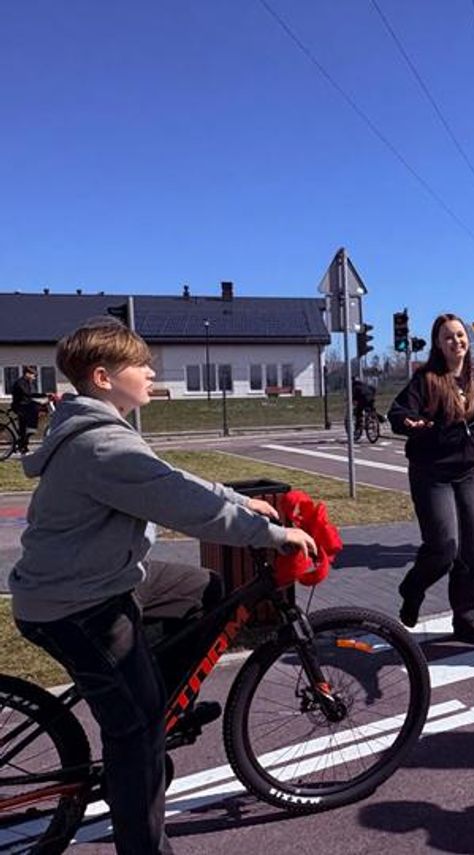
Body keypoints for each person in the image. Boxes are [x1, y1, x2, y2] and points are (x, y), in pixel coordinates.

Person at [9, 319, 318, 855]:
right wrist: (271, 534)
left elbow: (169, 478)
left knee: (204, 588)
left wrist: (238, 499)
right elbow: (184, 505)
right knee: (136, 730)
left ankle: (158, 702)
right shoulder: (101, 445)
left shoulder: (103, 432)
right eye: (141, 365)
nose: (152, 372)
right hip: (76, 606)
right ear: (103, 377)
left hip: (99, 579)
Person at [388, 313, 474, 645]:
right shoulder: (426, 379)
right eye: (448, 337)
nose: (456, 341)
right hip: (431, 473)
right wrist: (409, 423)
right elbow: (399, 412)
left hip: (468, 473)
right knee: (445, 547)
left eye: (460, 335)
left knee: (471, 549)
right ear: (438, 344)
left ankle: (466, 618)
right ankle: (413, 588)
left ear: (467, 340)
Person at [11, 364, 46, 453]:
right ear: (27, 374)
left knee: (24, 427)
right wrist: (42, 396)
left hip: (25, 405)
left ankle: (23, 444)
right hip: (20, 406)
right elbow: (28, 394)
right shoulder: (20, 383)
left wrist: (45, 395)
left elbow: (31, 395)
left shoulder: (27, 383)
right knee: (35, 407)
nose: (34, 378)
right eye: (33, 375)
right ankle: (30, 431)